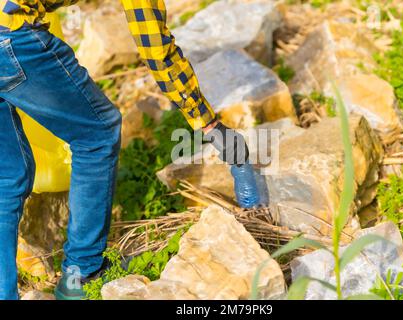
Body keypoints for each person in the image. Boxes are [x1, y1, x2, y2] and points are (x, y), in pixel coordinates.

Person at [0, 0, 249, 300]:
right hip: (10, 37)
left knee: (7, 177)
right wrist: (208, 124)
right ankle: (83, 270)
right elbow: (156, 50)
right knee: (98, 134)